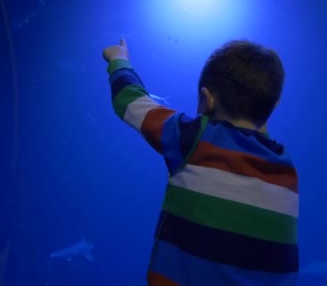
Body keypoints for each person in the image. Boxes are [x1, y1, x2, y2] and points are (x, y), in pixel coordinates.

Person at [103, 38, 299, 285]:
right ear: (272, 107)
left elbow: (130, 102)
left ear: (207, 100)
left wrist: (118, 60)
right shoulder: (286, 168)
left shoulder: (195, 137)